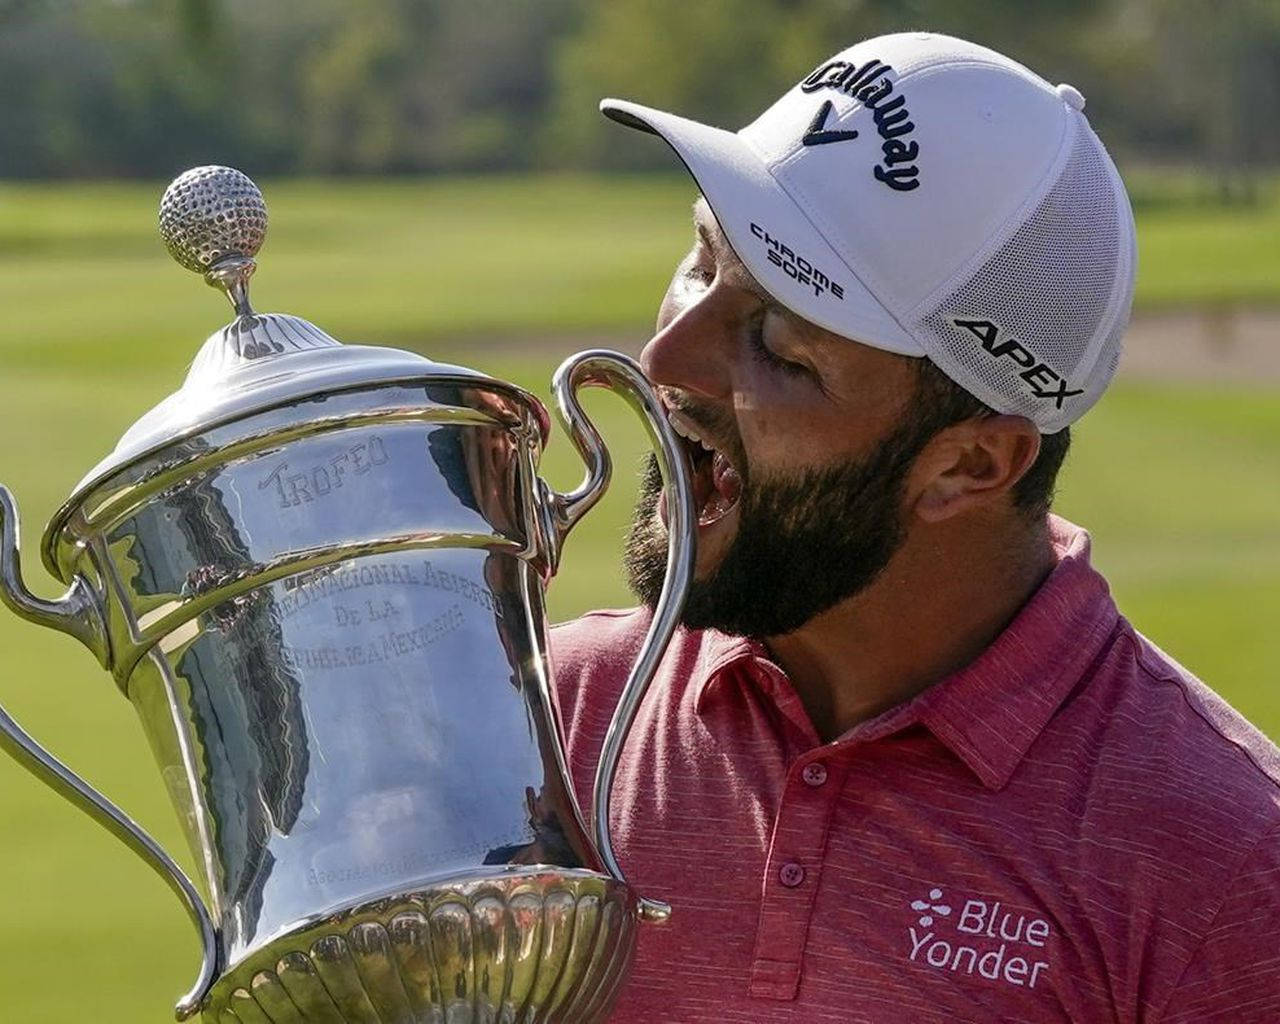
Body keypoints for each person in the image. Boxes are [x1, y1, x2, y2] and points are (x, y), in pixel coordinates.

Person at [549, 31, 1280, 1023]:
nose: (665, 357)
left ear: (970, 464)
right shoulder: (552, 712)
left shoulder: (1226, 871)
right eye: (700, 258)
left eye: (779, 346)